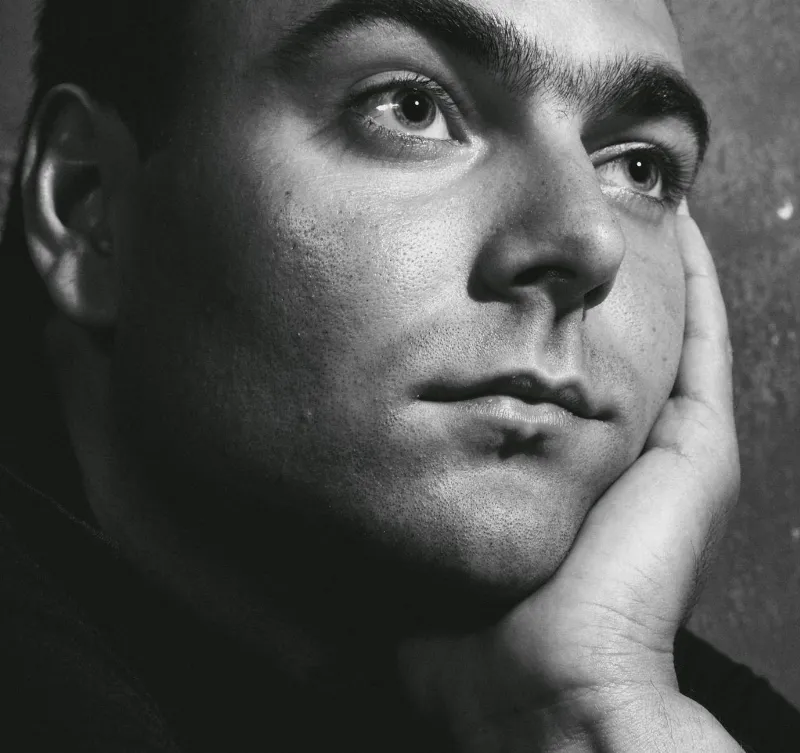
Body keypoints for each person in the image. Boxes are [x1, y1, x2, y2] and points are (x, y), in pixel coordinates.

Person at [0, 0, 799, 750]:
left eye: (639, 167)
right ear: (87, 203)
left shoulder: (652, 690)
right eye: (411, 108)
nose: (591, 241)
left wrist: (593, 709)